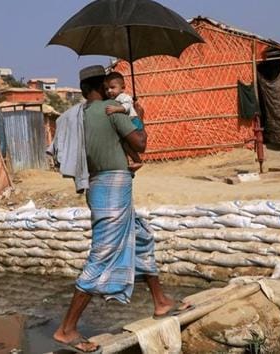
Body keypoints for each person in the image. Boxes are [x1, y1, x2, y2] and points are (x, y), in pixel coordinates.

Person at [52, 65, 190, 354]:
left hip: (99, 187)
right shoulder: (111, 108)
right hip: (113, 188)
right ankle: (66, 329)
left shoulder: (77, 116)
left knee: (141, 238)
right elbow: (140, 143)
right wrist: (139, 115)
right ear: (102, 85)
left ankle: (161, 301)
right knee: (102, 254)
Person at [104, 71, 143, 172]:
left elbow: (126, 107)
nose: (109, 91)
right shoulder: (115, 98)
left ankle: (137, 160)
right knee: (124, 145)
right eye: (106, 89)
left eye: (112, 87)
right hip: (129, 123)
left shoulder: (124, 97)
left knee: (126, 144)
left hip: (133, 122)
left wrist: (116, 109)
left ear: (122, 88)